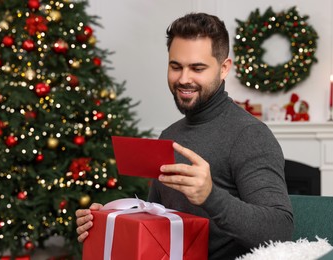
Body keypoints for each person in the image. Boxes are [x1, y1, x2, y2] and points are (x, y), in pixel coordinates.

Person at [76, 12, 294, 259]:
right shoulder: (170, 135)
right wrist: (108, 218)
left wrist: (210, 196)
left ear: (224, 68)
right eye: (175, 66)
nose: (183, 79)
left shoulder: (250, 135)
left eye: (197, 68)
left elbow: (281, 229)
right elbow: (157, 218)